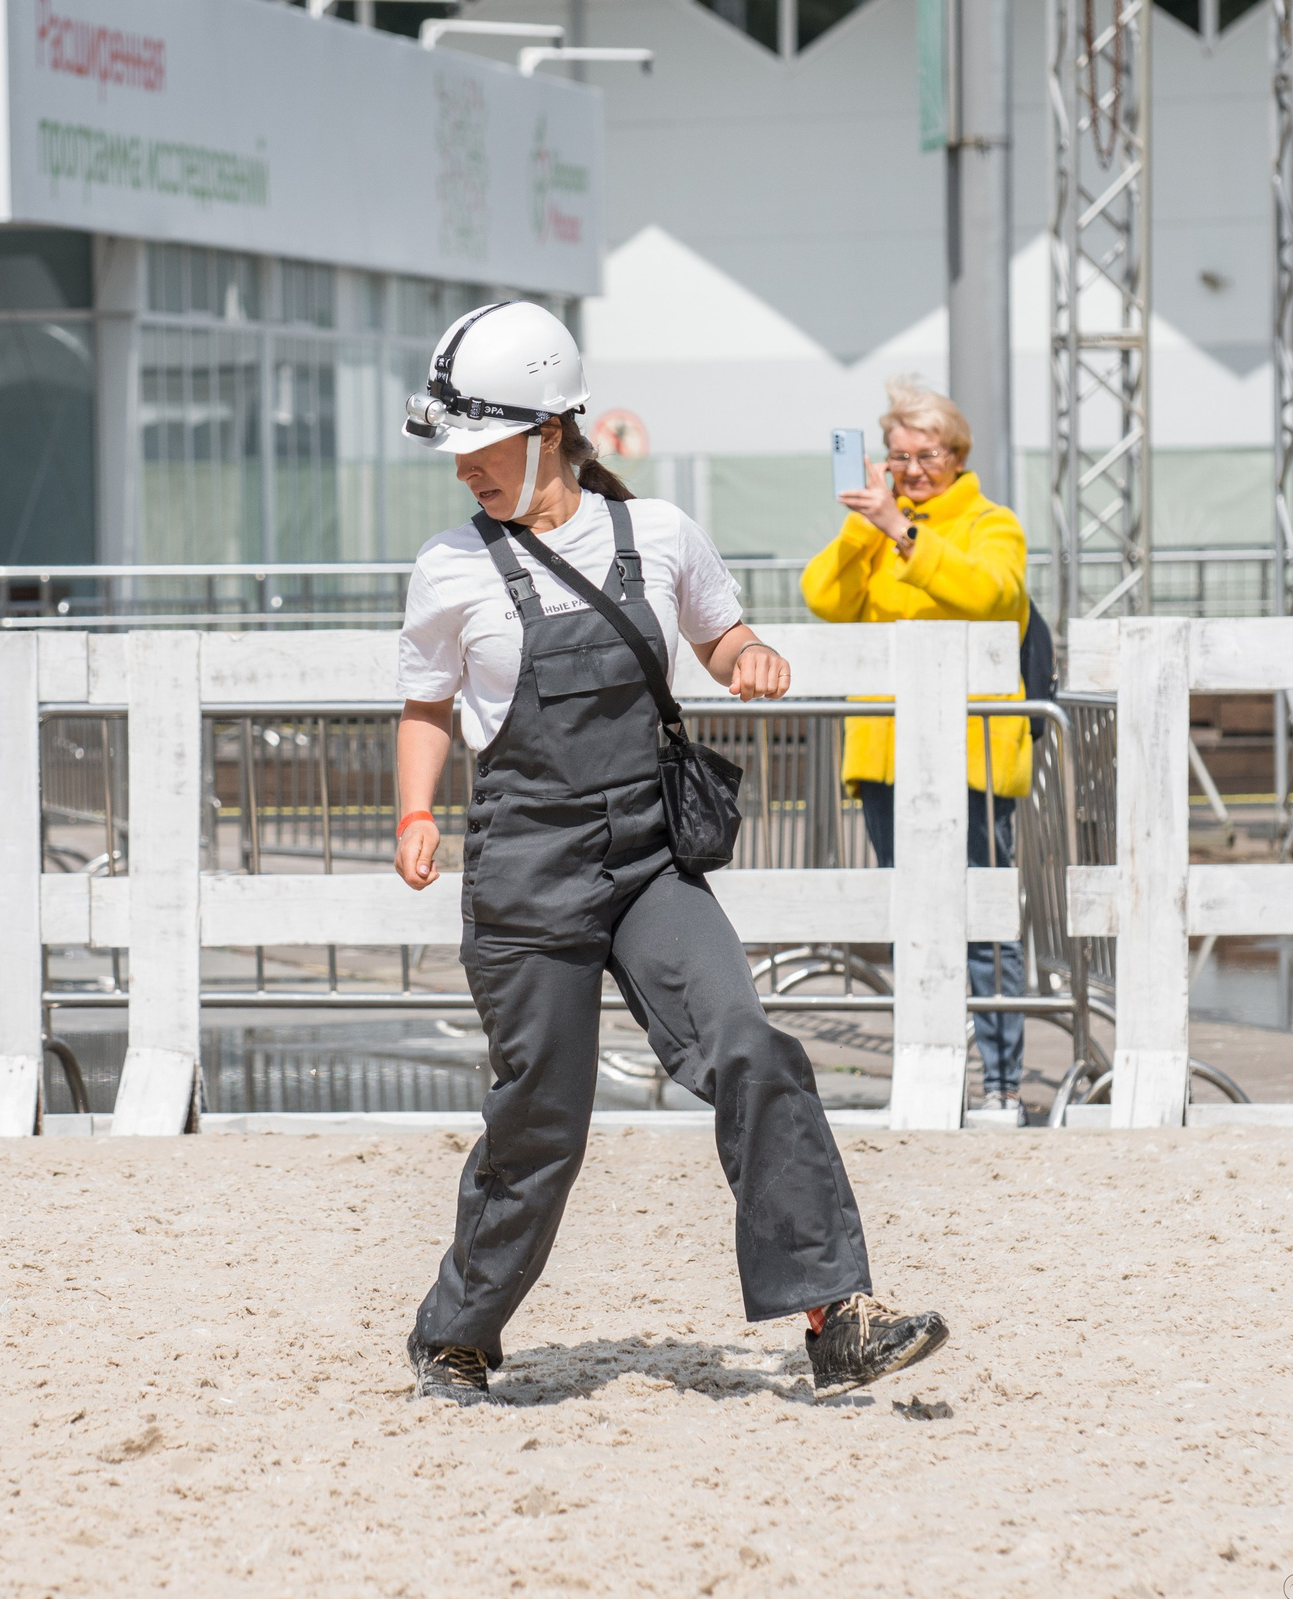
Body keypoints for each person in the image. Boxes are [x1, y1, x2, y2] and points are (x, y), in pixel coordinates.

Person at [391, 302, 949, 1406]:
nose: (464, 471)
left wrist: (751, 658)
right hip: (527, 865)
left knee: (745, 1040)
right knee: (540, 1115)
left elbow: (717, 632)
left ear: (550, 428)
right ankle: (457, 1330)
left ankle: (836, 1313)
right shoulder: (450, 568)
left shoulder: (660, 536)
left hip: (648, 858)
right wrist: (413, 813)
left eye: (481, 447)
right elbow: (424, 705)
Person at [802, 378, 1032, 1117]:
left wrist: (904, 531)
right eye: (899, 456)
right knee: (911, 921)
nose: (913, 469)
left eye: (926, 454)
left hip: (973, 758)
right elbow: (822, 598)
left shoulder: (992, 523)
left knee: (980, 921)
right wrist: (863, 529)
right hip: (885, 759)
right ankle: (931, 1068)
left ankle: (1001, 1080)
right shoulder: (878, 530)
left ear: (957, 455)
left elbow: (993, 594)